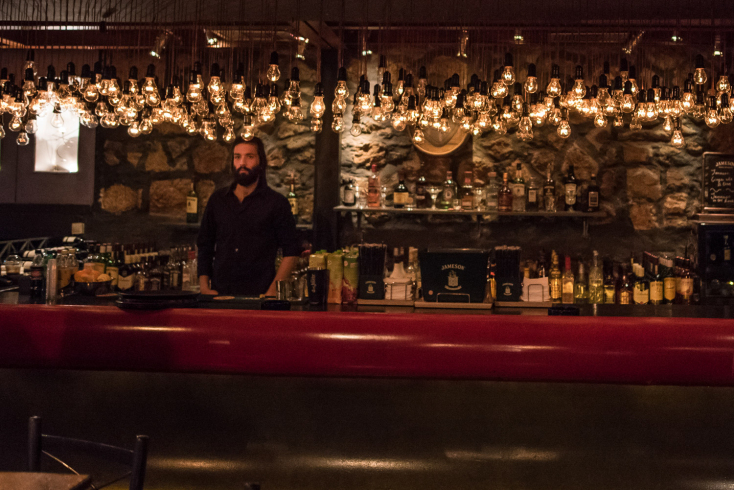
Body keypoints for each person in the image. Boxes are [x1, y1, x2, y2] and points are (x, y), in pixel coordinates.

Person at [197, 136, 299, 296]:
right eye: (237, 157)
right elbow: (205, 245)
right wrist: (204, 287)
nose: (242, 163)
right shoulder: (218, 200)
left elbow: (291, 252)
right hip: (220, 295)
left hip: (260, 295)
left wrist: (272, 292)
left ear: (261, 161)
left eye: (249, 157)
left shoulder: (276, 203)